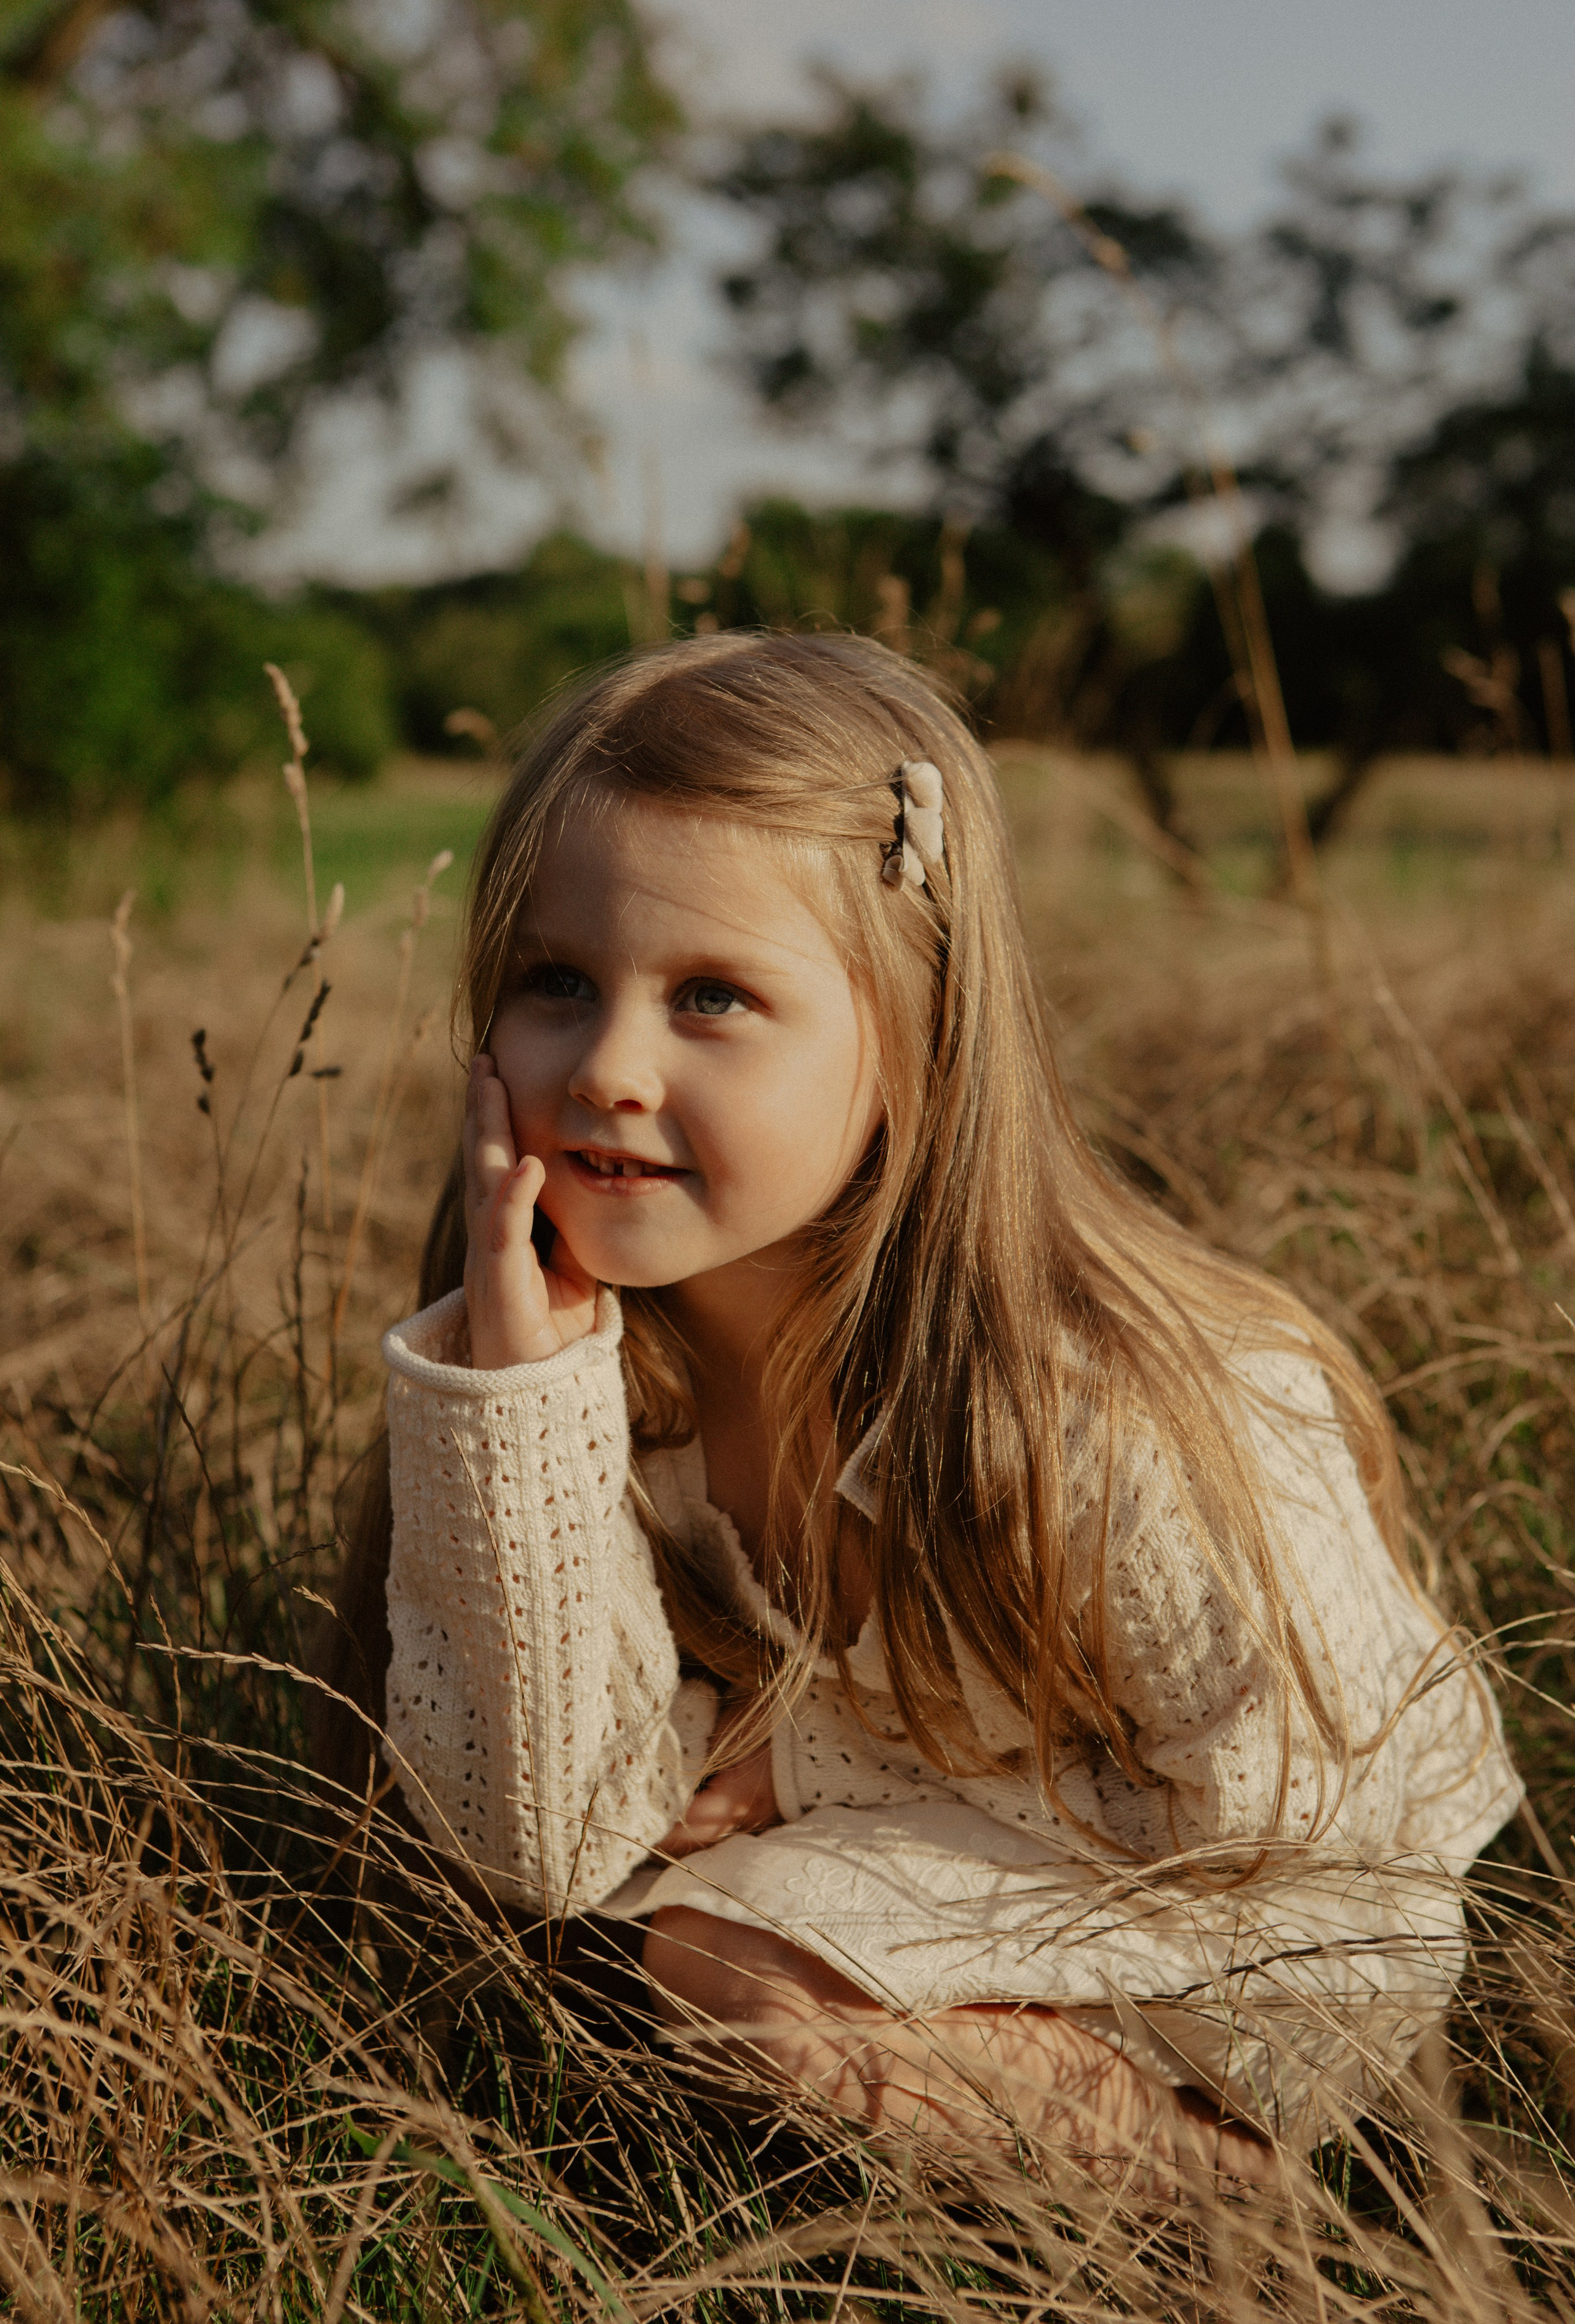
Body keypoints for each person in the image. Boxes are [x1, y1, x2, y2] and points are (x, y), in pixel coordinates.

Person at [328, 631, 1519, 2194]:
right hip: (937, 1883)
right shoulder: (588, 1375)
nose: (609, 1067)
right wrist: (515, 1396)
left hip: (1281, 1928)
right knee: (647, 1957)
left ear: (915, 1034)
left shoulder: (1119, 1409)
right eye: (558, 982)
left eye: (710, 996)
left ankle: (1238, 2204)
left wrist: (810, 1768)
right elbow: (533, 1848)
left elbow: (1310, 1841)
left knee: (719, 1965)